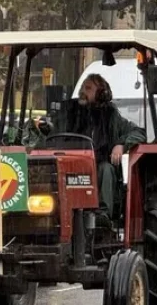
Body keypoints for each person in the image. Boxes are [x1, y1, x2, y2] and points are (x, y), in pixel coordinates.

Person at [59, 74, 147, 221]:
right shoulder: (69, 114)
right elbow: (51, 132)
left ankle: (102, 215)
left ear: (101, 94)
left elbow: (139, 132)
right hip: (70, 166)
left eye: (88, 88)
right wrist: (40, 128)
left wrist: (121, 144)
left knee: (106, 169)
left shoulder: (112, 118)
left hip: (98, 168)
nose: (82, 91)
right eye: (82, 87)